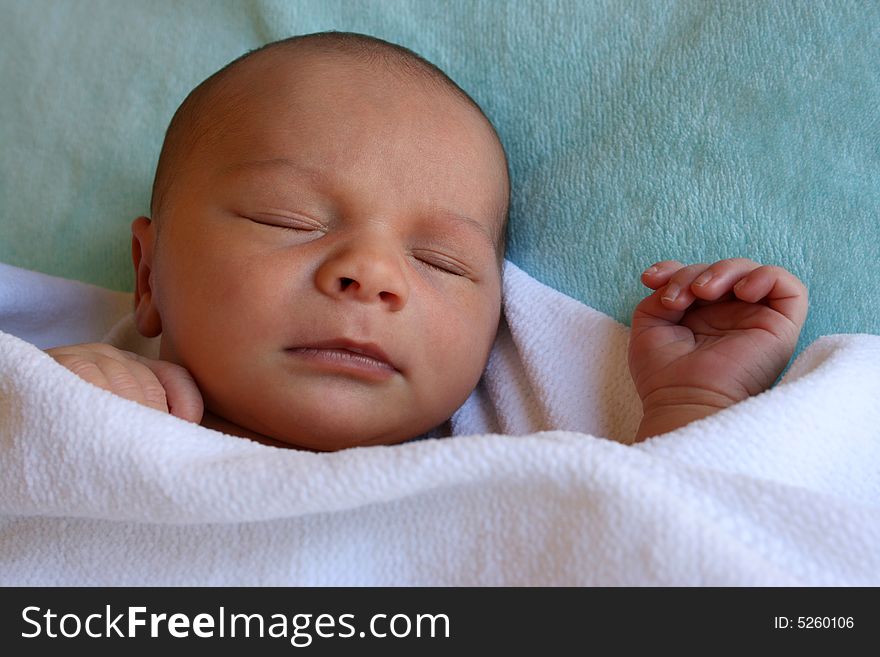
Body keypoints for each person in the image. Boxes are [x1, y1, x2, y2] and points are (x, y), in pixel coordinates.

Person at [46, 32, 808, 450]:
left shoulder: (500, 481)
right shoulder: (65, 403)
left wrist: (692, 402)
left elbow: (669, 566)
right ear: (146, 277)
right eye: (287, 218)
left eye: (440, 260)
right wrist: (40, 409)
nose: (371, 274)